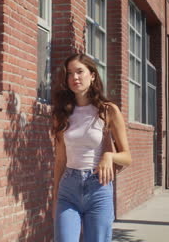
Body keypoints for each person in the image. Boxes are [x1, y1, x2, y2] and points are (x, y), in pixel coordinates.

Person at [51, 54, 132, 242]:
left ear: (93, 75)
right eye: (70, 74)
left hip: (98, 188)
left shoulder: (108, 110)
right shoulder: (62, 114)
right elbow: (60, 161)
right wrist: (55, 198)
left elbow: (127, 157)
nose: (74, 78)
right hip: (68, 190)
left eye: (80, 71)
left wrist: (109, 157)